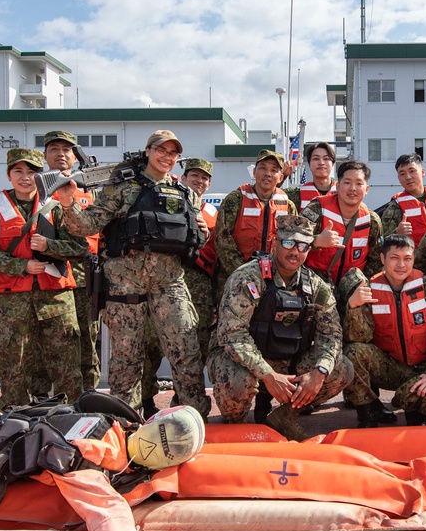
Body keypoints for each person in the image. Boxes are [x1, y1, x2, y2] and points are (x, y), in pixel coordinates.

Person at [55, 130, 209, 417]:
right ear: (148, 151)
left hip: (169, 283)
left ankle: (192, 416)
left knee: (186, 351)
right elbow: (87, 225)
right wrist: (68, 203)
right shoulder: (122, 187)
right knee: (127, 358)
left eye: (172, 153)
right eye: (160, 150)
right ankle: (126, 421)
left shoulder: (186, 192)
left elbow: (197, 237)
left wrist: (204, 230)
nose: (166, 157)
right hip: (125, 284)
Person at [207, 215, 353, 440]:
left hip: (288, 358)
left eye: (303, 246)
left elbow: (331, 334)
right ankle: (236, 425)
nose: (295, 251)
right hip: (243, 361)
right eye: (288, 243)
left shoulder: (314, 285)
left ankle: (285, 416)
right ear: (275, 244)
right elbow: (232, 335)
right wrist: (267, 375)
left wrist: (319, 373)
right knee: (237, 385)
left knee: (341, 369)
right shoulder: (248, 277)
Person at [0, 148, 86, 409]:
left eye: (32, 172)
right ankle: (13, 411)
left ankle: (71, 410)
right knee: (13, 359)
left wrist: (50, 246)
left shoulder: (56, 207)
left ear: (41, 176)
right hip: (14, 297)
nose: (25, 177)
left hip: (56, 296)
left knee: (66, 358)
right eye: (19, 171)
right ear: (9, 174)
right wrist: (22, 266)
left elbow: (80, 246)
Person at [339, 235, 426, 427]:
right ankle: (369, 410)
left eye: (407, 258)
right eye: (394, 258)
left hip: (423, 368)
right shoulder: (369, 289)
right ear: (382, 259)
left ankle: (412, 405)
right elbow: (357, 337)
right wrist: (353, 307)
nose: (401, 264)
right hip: (390, 366)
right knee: (352, 353)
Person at [142, 157, 219, 414]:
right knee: (151, 344)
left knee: (193, 347)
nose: (199, 181)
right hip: (165, 280)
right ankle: (146, 400)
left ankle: (184, 404)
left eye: (204, 178)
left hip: (199, 289)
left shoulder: (212, 214)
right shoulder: (168, 201)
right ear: (182, 179)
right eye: (193, 176)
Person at [29, 130, 101, 399]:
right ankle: (41, 398)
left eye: (66, 150)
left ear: (74, 156)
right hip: (48, 278)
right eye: (54, 149)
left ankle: (89, 395)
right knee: (44, 343)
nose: (61, 154)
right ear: (45, 155)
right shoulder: (33, 189)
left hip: (85, 277)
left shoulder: (91, 191)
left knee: (86, 340)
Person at [213, 149, 296, 296]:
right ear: (254, 172)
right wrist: (244, 273)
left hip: (273, 281)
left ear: (281, 177)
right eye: (262, 168)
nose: (267, 174)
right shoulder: (236, 200)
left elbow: (293, 242)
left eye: (274, 170)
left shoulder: (288, 205)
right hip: (235, 278)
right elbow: (222, 240)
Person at [300, 160, 382, 285]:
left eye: (359, 184)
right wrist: (316, 241)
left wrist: (360, 287)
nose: (352, 189)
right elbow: (291, 241)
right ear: (338, 186)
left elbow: (376, 261)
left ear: (366, 189)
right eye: (347, 182)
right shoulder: (317, 208)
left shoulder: (372, 220)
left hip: (350, 286)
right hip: (315, 281)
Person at [379, 153, 426, 246]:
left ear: (422, 172)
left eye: (412, 171)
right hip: (413, 259)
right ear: (398, 178)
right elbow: (383, 243)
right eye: (402, 174)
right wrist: (397, 233)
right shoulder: (394, 208)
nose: (408, 177)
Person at [285, 142, 337, 211]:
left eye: (326, 159)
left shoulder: (343, 191)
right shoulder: (298, 194)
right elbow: (270, 195)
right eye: (316, 159)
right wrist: (283, 175)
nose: (321, 163)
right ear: (309, 164)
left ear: (333, 164)